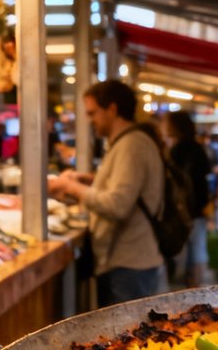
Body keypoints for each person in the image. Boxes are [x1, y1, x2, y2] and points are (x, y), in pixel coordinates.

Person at [49, 80, 164, 306]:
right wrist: (90, 180)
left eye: (93, 113)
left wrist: (71, 187)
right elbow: (126, 187)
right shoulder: (126, 142)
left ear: (112, 109)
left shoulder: (132, 144)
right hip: (125, 262)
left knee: (129, 338)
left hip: (130, 265)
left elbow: (117, 204)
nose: (90, 121)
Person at [165, 111, 212, 288]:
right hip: (198, 206)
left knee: (185, 248)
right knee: (197, 247)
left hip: (181, 209)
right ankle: (195, 284)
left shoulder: (175, 151)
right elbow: (206, 178)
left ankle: (186, 284)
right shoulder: (197, 148)